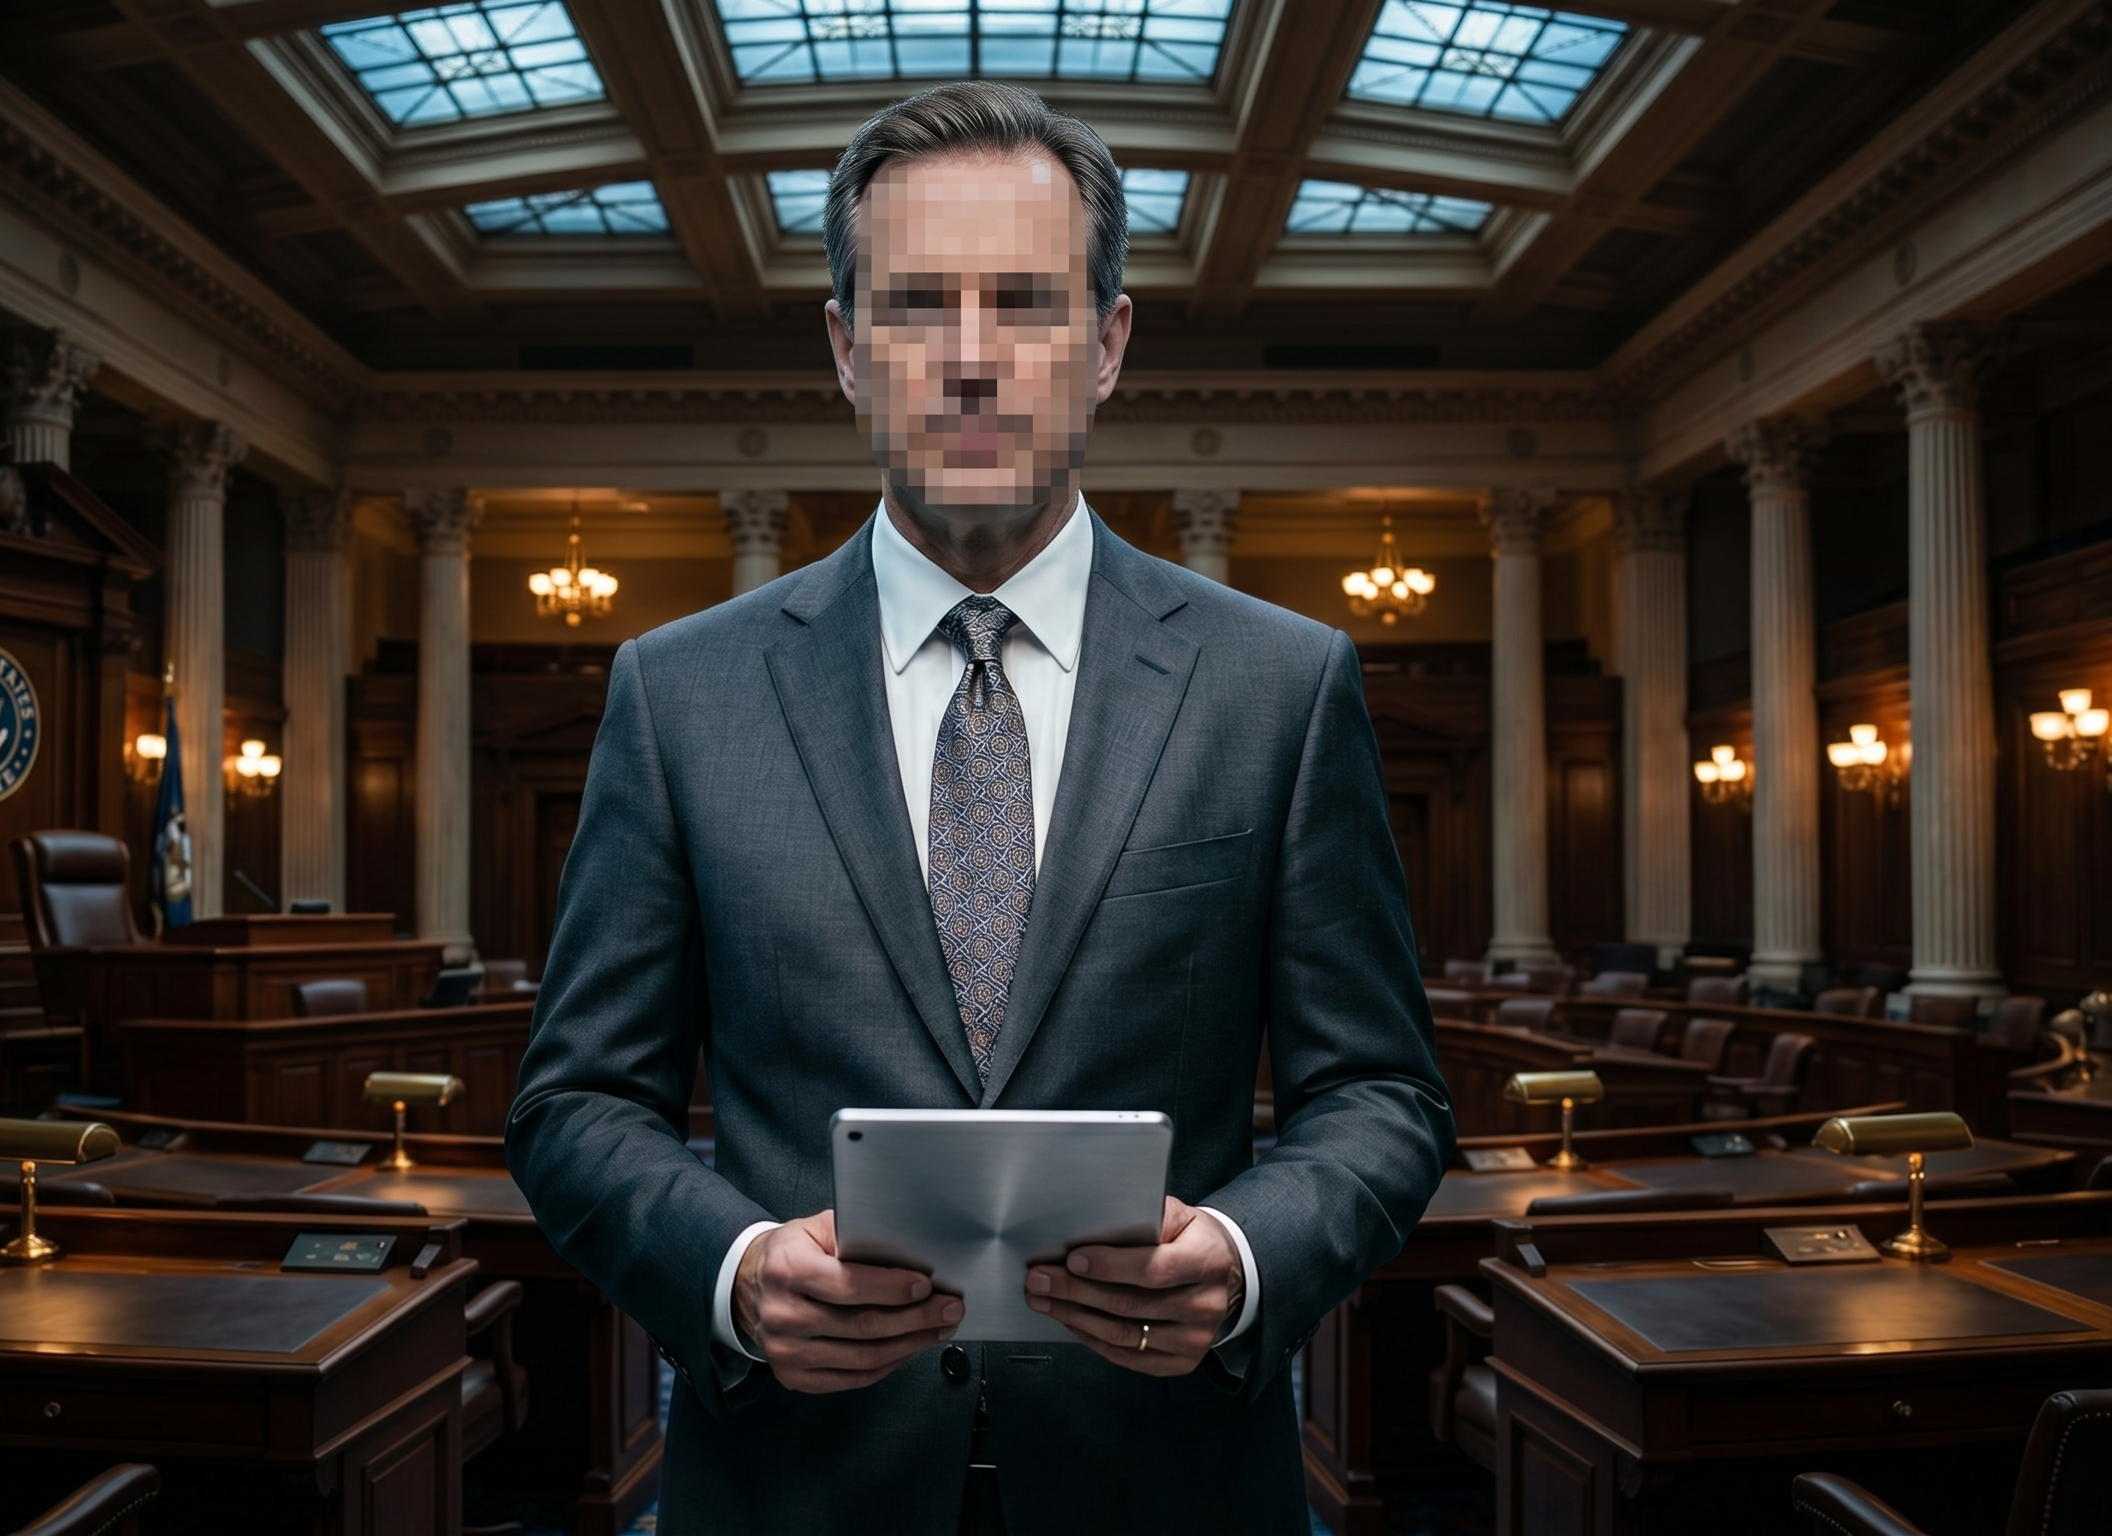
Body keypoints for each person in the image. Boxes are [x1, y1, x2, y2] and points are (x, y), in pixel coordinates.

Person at [505, 80, 1453, 1534]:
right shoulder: (677, 692)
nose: (967, 361)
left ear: (1109, 343)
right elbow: (575, 1103)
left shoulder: (1282, 683)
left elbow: (1383, 1096)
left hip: (1171, 1476)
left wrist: (1250, 1256)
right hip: (793, 1485)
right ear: (842, 349)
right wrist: (736, 1272)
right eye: (910, 306)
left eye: (1022, 301)